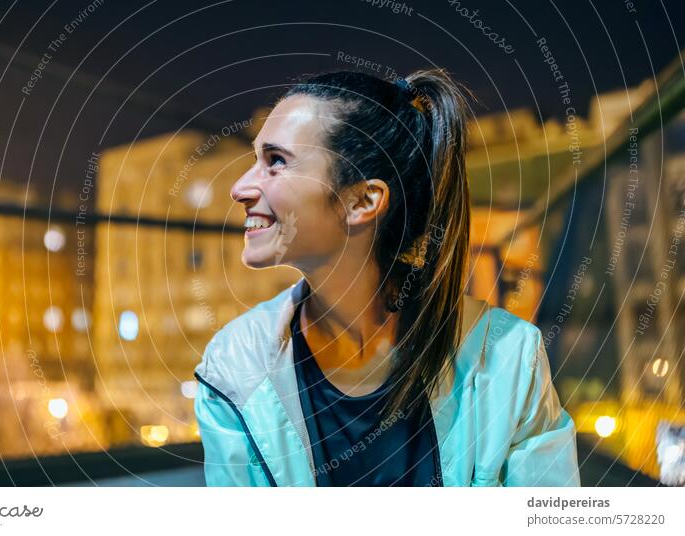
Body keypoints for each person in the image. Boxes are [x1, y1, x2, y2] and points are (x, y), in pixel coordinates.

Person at [193, 69, 580, 486]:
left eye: (276, 162)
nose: (239, 187)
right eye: (256, 159)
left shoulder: (507, 358)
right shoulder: (233, 368)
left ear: (363, 200)